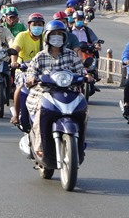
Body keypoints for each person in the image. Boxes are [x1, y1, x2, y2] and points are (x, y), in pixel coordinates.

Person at [23, 21, 93, 166]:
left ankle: (80, 143)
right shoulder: (40, 56)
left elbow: (80, 70)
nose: (56, 38)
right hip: (44, 93)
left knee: (83, 111)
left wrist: (86, 76)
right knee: (40, 113)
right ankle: (39, 146)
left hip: (69, 92)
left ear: (65, 37)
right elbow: (31, 72)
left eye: (59, 35)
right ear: (47, 37)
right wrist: (31, 78)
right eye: (53, 34)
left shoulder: (71, 55)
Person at [10, 13, 46, 125]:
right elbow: (15, 49)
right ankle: (16, 114)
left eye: (39, 24)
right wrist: (14, 62)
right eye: (34, 24)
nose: (37, 27)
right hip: (23, 69)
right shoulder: (22, 36)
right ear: (29, 25)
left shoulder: (45, 37)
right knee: (21, 87)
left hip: (42, 70)